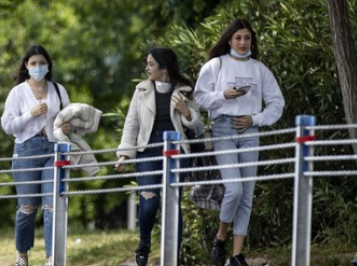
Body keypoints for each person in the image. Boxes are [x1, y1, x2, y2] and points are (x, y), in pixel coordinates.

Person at [194, 19, 284, 266]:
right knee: (234, 189)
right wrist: (224, 94)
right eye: (238, 38)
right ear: (229, 40)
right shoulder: (216, 65)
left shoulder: (259, 69)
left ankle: (236, 255)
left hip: (250, 131)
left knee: (247, 195)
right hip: (223, 128)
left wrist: (255, 118)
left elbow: (277, 103)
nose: (243, 43)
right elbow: (199, 98)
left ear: (252, 41)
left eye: (247, 38)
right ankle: (220, 237)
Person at [115, 47, 204, 266]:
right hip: (148, 150)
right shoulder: (141, 90)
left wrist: (185, 111)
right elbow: (131, 124)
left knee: (172, 203)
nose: (147, 68)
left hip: (176, 150)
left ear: (164, 68)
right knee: (149, 203)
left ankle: (173, 257)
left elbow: (199, 126)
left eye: (151, 64)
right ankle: (144, 242)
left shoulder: (185, 90)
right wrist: (124, 155)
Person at [1, 45, 71, 266]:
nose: (38, 67)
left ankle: (52, 258)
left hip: (53, 148)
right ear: (26, 66)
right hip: (26, 149)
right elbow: (8, 126)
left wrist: (69, 127)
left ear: (48, 65)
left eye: (42, 63)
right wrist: (29, 114)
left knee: (51, 206)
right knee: (28, 207)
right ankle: (22, 253)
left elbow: (70, 116)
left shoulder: (58, 90)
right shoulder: (18, 92)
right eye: (33, 63)